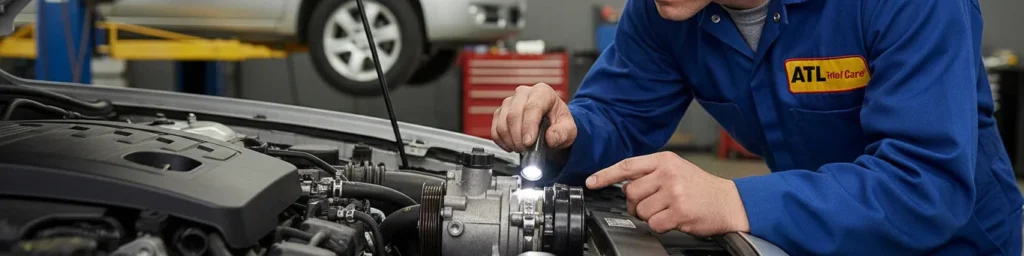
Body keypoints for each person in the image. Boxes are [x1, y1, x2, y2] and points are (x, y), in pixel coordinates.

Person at [490, 0, 1024, 254]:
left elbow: (925, 184)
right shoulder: (662, 13)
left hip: (955, 245)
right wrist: (565, 134)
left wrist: (734, 201)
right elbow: (620, 117)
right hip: (815, 236)